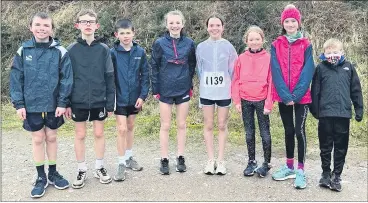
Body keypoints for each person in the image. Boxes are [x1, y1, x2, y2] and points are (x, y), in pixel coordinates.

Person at [10, 12, 73, 198]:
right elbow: (16, 78)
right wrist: (19, 104)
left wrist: (63, 102)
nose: (42, 28)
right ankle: (40, 177)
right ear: (31, 27)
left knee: (52, 137)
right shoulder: (23, 51)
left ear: (52, 29)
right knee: (38, 139)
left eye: (46, 25)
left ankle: (53, 173)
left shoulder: (60, 51)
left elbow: (66, 79)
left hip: (54, 104)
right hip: (31, 105)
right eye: (38, 25)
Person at [65, 9, 115, 188]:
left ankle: (99, 167)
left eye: (91, 21)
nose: (87, 24)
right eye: (84, 21)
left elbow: (109, 77)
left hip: (99, 100)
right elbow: (66, 78)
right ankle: (81, 169)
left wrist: (110, 103)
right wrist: (66, 103)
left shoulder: (104, 50)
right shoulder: (70, 50)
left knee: (99, 133)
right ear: (77, 25)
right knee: (80, 134)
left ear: (97, 25)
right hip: (77, 100)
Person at [270, 4, 315, 189]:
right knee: (288, 131)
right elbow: (276, 70)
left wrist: (296, 95)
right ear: (283, 23)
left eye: (293, 21)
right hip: (283, 96)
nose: (290, 24)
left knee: (299, 131)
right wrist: (285, 94)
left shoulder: (307, 44)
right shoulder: (276, 44)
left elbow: (308, 70)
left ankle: (301, 170)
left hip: (301, 97)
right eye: (287, 21)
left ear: (298, 23)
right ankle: (289, 166)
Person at [310, 38, 363, 192]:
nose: (332, 55)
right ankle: (326, 173)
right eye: (329, 52)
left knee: (340, 147)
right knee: (325, 146)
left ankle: (336, 175)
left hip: (343, 115)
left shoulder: (349, 68)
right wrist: (315, 110)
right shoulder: (320, 68)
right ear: (324, 53)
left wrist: (358, 109)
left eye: (335, 52)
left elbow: (356, 90)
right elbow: (315, 90)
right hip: (325, 115)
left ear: (342, 53)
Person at [150, 10, 196, 175]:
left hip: (183, 88)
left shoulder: (190, 43)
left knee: (182, 124)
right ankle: (164, 159)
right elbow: (154, 66)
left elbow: (192, 65)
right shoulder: (159, 43)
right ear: (167, 24)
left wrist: (189, 84)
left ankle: (180, 156)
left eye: (178, 22)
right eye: (171, 23)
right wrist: (155, 88)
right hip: (165, 89)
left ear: (182, 24)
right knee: (166, 125)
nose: (175, 25)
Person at [196, 14, 237, 175]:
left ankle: (221, 161)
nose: (214, 28)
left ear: (222, 27)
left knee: (221, 125)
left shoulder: (228, 46)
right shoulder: (200, 47)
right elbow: (199, 70)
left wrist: (231, 88)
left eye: (217, 25)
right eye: (211, 25)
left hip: (224, 92)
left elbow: (233, 70)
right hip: (207, 91)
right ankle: (210, 159)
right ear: (207, 27)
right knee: (208, 124)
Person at [110, 18, 149, 181]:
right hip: (119, 98)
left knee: (131, 127)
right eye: (122, 33)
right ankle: (120, 163)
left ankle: (128, 157)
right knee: (122, 129)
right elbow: (108, 76)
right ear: (116, 34)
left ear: (134, 33)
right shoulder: (112, 53)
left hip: (134, 98)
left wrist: (142, 95)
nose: (125, 36)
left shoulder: (140, 52)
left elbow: (145, 75)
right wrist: (110, 99)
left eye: (128, 33)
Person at [231, 25, 273, 178]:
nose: (254, 42)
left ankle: (266, 163)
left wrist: (269, 103)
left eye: (257, 39)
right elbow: (235, 80)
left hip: (262, 100)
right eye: (251, 39)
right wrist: (236, 100)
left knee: (265, 133)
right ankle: (251, 161)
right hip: (245, 100)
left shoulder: (268, 58)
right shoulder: (241, 58)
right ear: (246, 41)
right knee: (249, 133)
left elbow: (272, 82)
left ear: (262, 40)